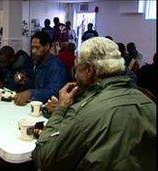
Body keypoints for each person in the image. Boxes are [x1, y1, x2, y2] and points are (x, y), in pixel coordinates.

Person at [32, 37, 156, 171]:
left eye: (77, 67)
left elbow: (44, 157)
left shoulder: (84, 112)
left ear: (89, 71)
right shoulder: (150, 104)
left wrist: (61, 110)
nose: (75, 75)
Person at [14, 31, 67, 105]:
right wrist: (25, 81)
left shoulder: (56, 66)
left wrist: (31, 93)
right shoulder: (38, 62)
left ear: (47, 46)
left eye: (37, 47)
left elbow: (54, 93)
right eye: (32, 47)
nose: (34, 51)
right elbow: (36, 86)